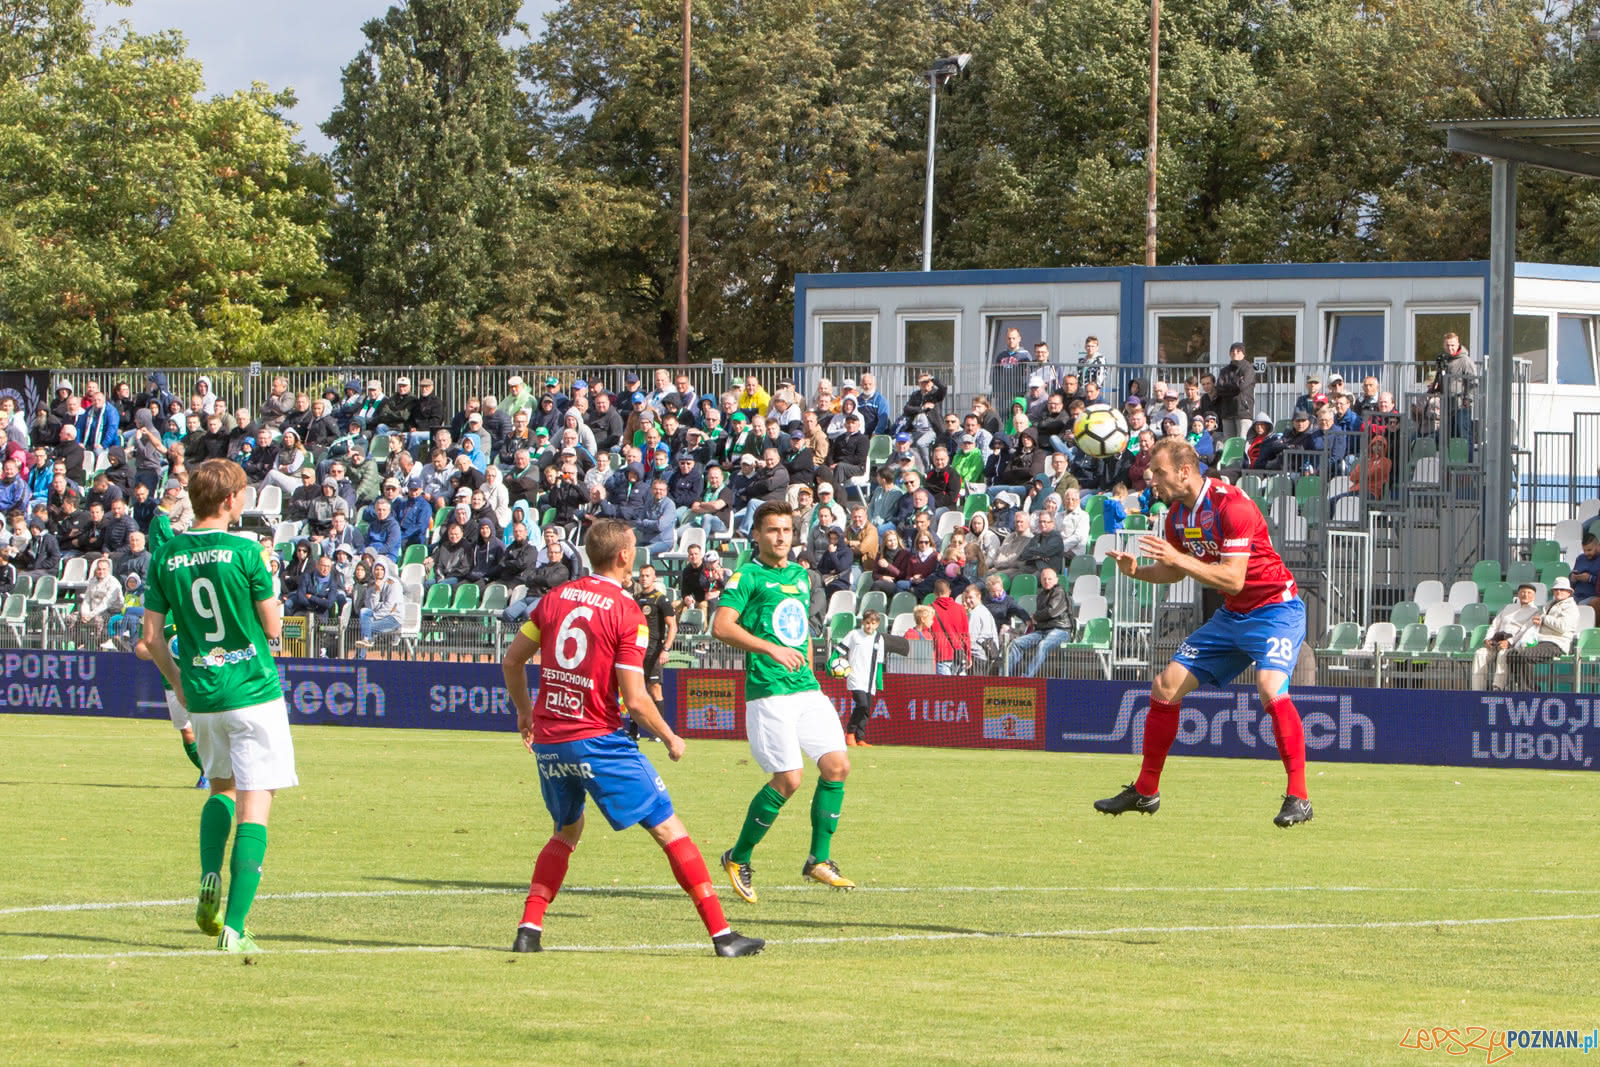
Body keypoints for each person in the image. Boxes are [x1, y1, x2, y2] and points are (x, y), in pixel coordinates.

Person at [498, 518, 761, 957]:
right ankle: (722, 935)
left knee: (566, 830)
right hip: (598, 740)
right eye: (634, 548)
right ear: (624, 555)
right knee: (669, 828)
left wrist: (526, 714)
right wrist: (671, 736)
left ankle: (529, 928)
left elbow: (511, 662)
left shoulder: (554, 599)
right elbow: (636, 700)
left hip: (550, 740)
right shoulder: (627, 613)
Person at [1096, 438, 1312, 828]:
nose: (1152, 479)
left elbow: (1231, 578)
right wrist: (1138, 572)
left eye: (1158, 472)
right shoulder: (1177, 514)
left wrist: (1177, 557)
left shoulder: (1233, 506)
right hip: (1233, 616)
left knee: (1269, 687)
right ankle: (1146, 790)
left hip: (1276, 610)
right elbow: (1175, 570)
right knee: (1165, 686)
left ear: (1183, 470)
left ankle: (1299, 796)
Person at [141, 458, 293, 955]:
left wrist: (178, 681)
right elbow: (272, 629)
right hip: (252, 690)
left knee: (221, 789)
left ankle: (209, 874)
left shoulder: (165, 556)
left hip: (202, 694)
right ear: (230, 501)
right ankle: (236, 926)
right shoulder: (247, 553)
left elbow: (151, 638)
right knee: (257, 802)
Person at [713, 501, 855, 901]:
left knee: (837, 765)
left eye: (787, 531)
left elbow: (802, 631)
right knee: (789, 780)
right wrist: (768, 649)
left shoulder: (800, 575)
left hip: (805, 688)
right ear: (756, 534)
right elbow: (721, 625)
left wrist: (809, 670)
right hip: (768, 692)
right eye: (772, 530)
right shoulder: (747, 576)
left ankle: (818, 860)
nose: (780, 537)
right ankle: (738, 856)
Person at [134, 625, 208, 789]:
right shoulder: (156, 611)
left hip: (204, 677)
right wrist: (155, 651)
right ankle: (206, 772)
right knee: (187, 730)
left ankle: (223, 773)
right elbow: (141, 647)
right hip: (173, 682)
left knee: (211, 726)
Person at [1507, 578, 1579, 691]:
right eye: (1556, 589)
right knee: (1512, 654)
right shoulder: (1549, 604)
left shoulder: (1571, 608)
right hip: (1540, 640)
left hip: (1557, 643)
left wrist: (1544, 619)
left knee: (1526, 655)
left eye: (1562, 589)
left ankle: (1528, 691)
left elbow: (1563, 627)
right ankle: (1525, 686)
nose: (1558, 592)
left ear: (1569, 592)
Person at [1002, 568, 1074, 677]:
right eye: (1044, 579)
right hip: (1042, 630)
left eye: (1050, 579)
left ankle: (1026, 677)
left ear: (1056, 580)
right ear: (1040, 580)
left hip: (1061, 630)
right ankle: (1006, 676)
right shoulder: (1040, 596)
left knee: (1043, 645)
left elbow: (1051, 612)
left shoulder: (1059, 592)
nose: (1047, 581)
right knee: (1017, 643)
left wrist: (1035, 616)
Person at [830, 611, 886, 746]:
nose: (869, 626)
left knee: (867, 710)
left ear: (877, 624)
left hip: (870, 679)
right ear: (863, 622)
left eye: (873, 624)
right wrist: (830, 664)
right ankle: (849, 733)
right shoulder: (854, 635)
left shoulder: (879, 639)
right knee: (862, 704)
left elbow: (879, 662)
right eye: (867, 623)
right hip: (855, 676)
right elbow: (840, 650)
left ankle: (860, 738)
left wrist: (879, 680)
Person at [1471, 583, 1540, 691]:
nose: (1525, 595)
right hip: (1496, 641)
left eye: (1529, 593)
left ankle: (1497, 688)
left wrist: (1509, 642)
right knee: (1480, 653)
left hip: (1513, 645)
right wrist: (1487, 639)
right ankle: (1477, 690)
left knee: (1503, 654)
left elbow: (1525, 631)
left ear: (1534, 596)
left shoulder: (1535, 611)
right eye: (1522, 592)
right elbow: (1494, 624)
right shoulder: (1509, 607)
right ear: (1518, 594)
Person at [633, 562, 676, 725]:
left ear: (654, 578)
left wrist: (666, 649)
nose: (644, 579)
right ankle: (633, 730)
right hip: (636, 650)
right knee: (635, 690)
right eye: (642, 576)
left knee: (655, 688)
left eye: (647, 576)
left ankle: (659, 729)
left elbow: (673, 626)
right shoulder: (635, 599)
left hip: (653, 650)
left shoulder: (661, 599)